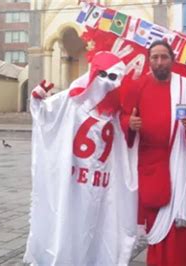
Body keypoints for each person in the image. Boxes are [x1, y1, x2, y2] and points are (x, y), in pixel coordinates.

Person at [24, 52, 138, 265]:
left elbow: (127, 142)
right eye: (101, 74)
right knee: (71, 223)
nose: (105, 82)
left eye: (112, 77)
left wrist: (130, 125)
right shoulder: (72, 100)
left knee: (98, 227)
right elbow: (45, 115)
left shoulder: (115, 113)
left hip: (102, 182)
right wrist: (37, 98)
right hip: (73, 181)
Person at [120, 40, 186, 266]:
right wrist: (130, 123)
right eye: (154, 57)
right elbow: (124, 115)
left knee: (179, 220)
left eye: (163, 57)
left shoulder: (185, 85)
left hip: (179, 161)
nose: (159, 62)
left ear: (172, 60)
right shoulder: (139, 86)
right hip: (151, 162)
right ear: (149, 61)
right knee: (155, 215)